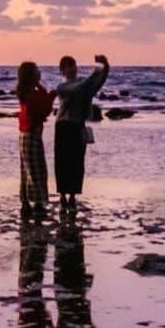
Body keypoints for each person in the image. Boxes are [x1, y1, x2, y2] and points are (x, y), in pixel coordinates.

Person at [53, 53, 110, 211]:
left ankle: (72, 196)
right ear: (62, 71)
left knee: (77, 162)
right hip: (64, 126)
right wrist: (95, 72)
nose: (72, 69)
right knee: (63, 162)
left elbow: (97, 84)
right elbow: (81, 87)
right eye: (68, 66)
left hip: (78, 125)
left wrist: (105, 67)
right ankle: (63, 195)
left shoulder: (83, 85)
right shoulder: (63, 87)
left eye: (73, 65)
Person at [16, 61, 54, 219]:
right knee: (36, 170)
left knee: (27, 170)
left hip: (26, 135)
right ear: (31, 76)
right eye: (37, 71)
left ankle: (26, 202)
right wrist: (51, 95)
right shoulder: (31, 94)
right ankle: (38, 203)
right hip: (31, 135)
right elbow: (45, 108)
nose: (40, 73)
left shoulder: (27, 92)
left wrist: (40, 87)